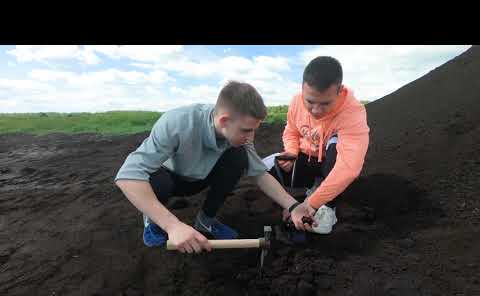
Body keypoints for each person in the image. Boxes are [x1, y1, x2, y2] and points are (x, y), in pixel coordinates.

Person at [114, 81, 316, 254]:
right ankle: (153, 220)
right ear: (224, 121)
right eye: (246, 130)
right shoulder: (177, 123)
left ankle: (205, 221)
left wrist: (294, 206)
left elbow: (259, 173)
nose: (251, 137)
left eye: (254, 130)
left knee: (239, 157)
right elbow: (127, 176)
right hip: (170, 177)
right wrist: (173, 225)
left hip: (200, 178)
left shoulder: (241, 137)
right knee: (155, 179)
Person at [263, 56, 370, 234]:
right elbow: (291, 131)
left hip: (332, 164)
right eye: (310, 102)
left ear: (339, 92)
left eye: (325, 103)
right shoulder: (296, 101)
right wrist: (291, 151)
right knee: (263, 169)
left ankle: (328, 206)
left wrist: (310, 204)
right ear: (302, 90)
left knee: (336, 145)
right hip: (306, 158)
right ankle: (314, 187)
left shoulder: (353, 112)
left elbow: (349, 167)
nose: (316, 110)